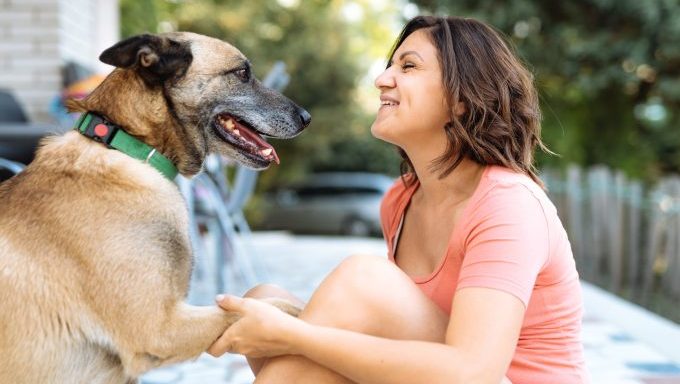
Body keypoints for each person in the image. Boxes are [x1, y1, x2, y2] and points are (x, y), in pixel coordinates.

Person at [208, 15, 589, 384]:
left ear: (461, 99)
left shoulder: (508, 205)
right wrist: (285, 328)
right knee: (266, 299)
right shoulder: (401, 199)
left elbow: (472, 373)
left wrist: (293, 335)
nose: (381, 79)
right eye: (390, 65)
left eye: (408, 67)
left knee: (360, 283)